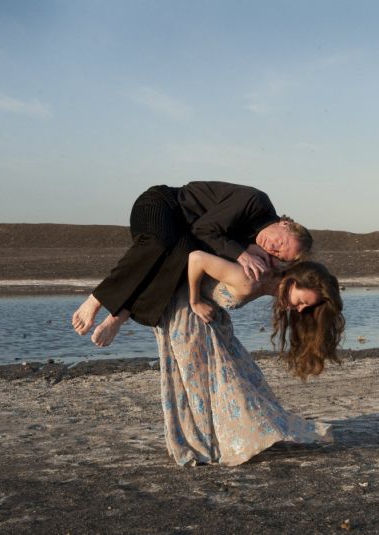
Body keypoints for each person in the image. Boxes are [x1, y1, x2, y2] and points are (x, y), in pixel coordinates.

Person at [155, 251, 345, 466]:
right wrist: (195, 300)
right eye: (301, 301)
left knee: (240, 380)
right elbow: (196, 258)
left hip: (207, 321)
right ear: (292, 283)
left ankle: (216, 442)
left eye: (305, 307)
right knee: (201, 385)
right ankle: (204, 445)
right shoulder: (249, 280)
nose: (300, 309)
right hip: (187, 317)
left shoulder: (266, 278)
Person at [71, 182, 313, 347]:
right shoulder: (256, 202)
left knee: (181, 259)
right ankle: (97, 299)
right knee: (160, 244)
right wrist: (241, 253)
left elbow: (202, 248)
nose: (272, 248)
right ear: (285, 223)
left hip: (183, 237)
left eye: (278, 254)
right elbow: (202, 229)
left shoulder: (256, 245)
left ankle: (119, 316)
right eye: (280, 243)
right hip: (161, 205)